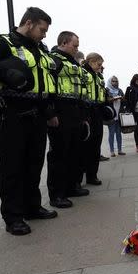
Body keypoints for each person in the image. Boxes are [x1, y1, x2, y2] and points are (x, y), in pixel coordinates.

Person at [0, 7, 58, 235]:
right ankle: (13, 216)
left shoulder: (39, 49)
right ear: (29, 23)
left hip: (37, 113)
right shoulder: (3, 43)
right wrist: (5, 73)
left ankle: (32, 206)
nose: (44, 35)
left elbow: (43, 83)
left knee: (34, 163)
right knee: (12, 167)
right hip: (13, 113)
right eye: (42, 30)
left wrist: (49, 112)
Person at [47, 31, 89, 209]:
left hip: (75, 112)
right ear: (64, 43)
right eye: (75, 45)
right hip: (61, 112)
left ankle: (72, 187)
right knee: (59, 155)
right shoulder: (53, 61)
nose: (77, 49)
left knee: (74, 152)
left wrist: (84, 116)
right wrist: (51, 113)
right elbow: (47, 87)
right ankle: (57, 194)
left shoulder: (72, 63)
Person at [80, 53, 108, 185]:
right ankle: (86, 174)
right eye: (99, 64)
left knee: (96, 145)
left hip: (97, 111)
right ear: (91, 62)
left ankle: (93, 175)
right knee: (87, 146)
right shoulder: (83, 73)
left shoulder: (98, 77)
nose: (100, 67)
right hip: (88, 111)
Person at [106, 76, 125, 156]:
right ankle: (112, 151)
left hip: (119, 114)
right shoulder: (107, 90)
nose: (115, 82)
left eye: (116, 81)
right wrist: (113, 99)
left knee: (118, 133)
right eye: (113, 81)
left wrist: (122, 98)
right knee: (111, 133)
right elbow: (105, 100)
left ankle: (120, 150)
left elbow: (124, 99)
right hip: (111, 115)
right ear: (110, 82)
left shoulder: (119, 90)